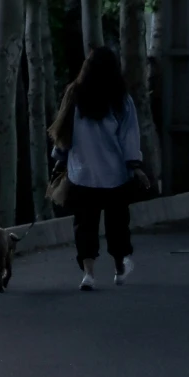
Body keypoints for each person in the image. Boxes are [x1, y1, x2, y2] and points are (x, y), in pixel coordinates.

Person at [50, 46, 141, 290]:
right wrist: (135, 165)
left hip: (82, 174)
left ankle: (88, 274)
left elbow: (62, 131)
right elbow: (129, 136)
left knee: (85, 226)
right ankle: (120, 269)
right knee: (118, 225)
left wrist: (59, 158)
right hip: (115, 175)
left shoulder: (74, 94)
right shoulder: (122, 100)